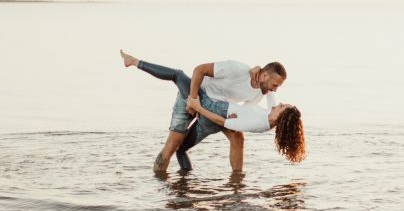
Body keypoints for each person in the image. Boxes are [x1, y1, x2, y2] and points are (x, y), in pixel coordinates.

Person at [120, 51, 290, 171]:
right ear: (265, 76)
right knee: (173, 144)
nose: (275, 90)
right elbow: (199, 70)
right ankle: (158, 179)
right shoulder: (237, 69)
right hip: (192, 93)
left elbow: (245, 112)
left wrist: (231, 119)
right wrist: (193, 100)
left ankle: (236, 183)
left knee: (237, 137)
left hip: (215, 108)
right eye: (275, 85)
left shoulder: (260, 93)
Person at [186, 95, 305, 163]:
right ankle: (237, 181)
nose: (280, 103)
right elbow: (269, 89)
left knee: (179, 75)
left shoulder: (259, 123)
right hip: (223, 110)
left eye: (283, 106)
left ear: (282, 117)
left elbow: (223, 122)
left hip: (214, 116)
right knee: (238, 139)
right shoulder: (272, 112)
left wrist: (198, 108)